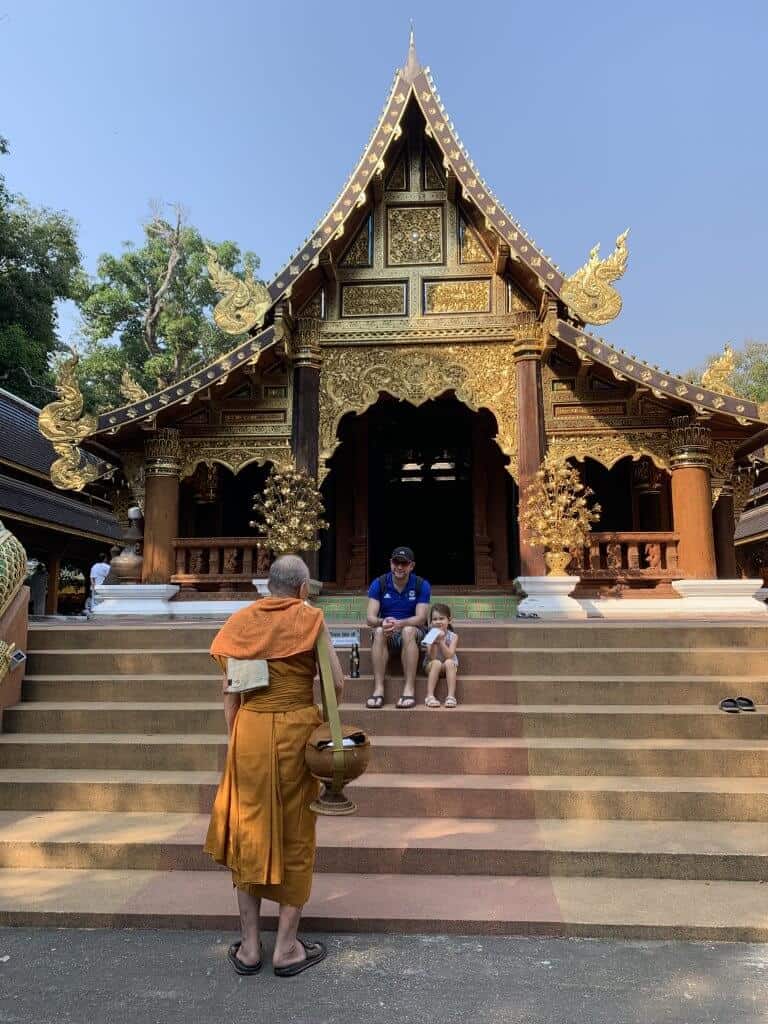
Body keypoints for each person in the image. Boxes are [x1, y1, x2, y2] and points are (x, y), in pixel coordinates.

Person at [204, 554, 345, 978]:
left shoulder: (243, 623)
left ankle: (250, 948)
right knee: (296, 832)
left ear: (268, 587)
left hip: (249, 731)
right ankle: (285, 947)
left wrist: (238, 735)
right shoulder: (310, 619)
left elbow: (232, 691)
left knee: (248, 830)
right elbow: (335, 683)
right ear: (303, 589)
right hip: (296, 732)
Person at [365, 546, 430, 709]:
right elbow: (370, 618)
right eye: (396, 562)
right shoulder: (379, 583)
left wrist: (401, 623)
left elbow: (421, 618)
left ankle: (409, 689)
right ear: (390, 563)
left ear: (411, 566)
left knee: (408, 630)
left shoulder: (421, 584)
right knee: (379, 631)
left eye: (404, 563)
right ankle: (378, 689)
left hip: (413, 631)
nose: (399, 567)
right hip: (387, 630)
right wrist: (383, 622)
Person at [423, 603, 460, 708]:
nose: (438, 621)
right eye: (434, 619)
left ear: (449, 620)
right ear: (431, 622)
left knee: (449, 662)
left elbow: (449, 655)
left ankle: (451, 696)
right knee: (436, 663)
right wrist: (435, 641)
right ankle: (429, 696)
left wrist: (441, 642)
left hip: (448, 666)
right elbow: (432, 657)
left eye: (441, 618)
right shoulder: (429, 635)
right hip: (431, 666)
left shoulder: (453, 636)